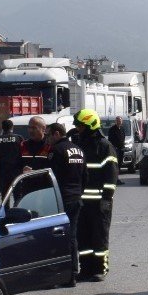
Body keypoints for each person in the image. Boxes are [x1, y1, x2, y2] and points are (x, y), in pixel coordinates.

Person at [73, 109, 118, 281]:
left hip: (100, 202)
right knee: (83, 236)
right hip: (82, 201)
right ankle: (86, 268)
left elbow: (112, 174)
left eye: (80, 126)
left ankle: (100, 269)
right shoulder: (79, 145)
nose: (78, 129)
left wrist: (107, 198)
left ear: (90, 125)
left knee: (99, 236)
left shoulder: (105, 146)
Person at [48, 122, 87, 286]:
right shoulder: (78, 150)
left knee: (58, 237)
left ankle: (66, 275)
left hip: (61, 199)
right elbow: (85, 176)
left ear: (57, 134)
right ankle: (73, 271)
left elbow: (52, 177)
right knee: (73, 236)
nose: (47, 139)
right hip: (76, 197)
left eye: (49, 135)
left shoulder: (57, 150)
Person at [0, 119, 24, 196]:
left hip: (3, 172)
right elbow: (23, 154)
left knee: (5, 196)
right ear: (12, 127)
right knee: (18, 195)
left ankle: (6, 208)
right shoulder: (19, 138)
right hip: (16, 171)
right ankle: (17, 208)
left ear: (2, 128)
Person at [107, 116, 127, 184]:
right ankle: (115, 179)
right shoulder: (112, 129)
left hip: (121, 149)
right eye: (118, 120)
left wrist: (123, 145)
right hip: (115, 149)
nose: (119, 122)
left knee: (120, 164)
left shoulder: (122, 128)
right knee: (116, 164)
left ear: (122, 121)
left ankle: (117, 179)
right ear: (116, 121)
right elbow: (110, 140)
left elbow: (123, 137)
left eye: (120, 120)